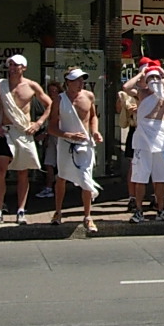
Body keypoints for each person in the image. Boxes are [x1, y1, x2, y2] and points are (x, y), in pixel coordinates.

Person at [0, 54, 52, 226]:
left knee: (23, 172)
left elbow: (50, 104)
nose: (13, 68)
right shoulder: (1, 86)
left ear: (24, 68)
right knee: (0, 170)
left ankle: (21, 210)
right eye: (11, 65)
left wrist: (39, 123)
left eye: (17, 65)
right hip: (6, 132)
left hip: (23, 132)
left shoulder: (31, 85)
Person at [122, 63, 164, 223]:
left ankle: (161, 209)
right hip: (142, 139)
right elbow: (126, 87)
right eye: (151, 78)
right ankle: (139, 210)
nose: (154, 80)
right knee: (140, 177)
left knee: (160, 177)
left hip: (159, 139)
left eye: (156, 78)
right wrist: (142, 74)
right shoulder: (141, 93)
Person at [47, 67, 104, 232]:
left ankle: (87, 216)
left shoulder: (89, 96)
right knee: (61, 177)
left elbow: (93, 117)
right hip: (66, 144)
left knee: (86, 177)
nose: (80, 83)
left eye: (82, 80)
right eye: (76, 80)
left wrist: (95, 131)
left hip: (85, 144)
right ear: (68, 82)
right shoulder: (59, 100)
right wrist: (68, 135)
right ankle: (58, 212)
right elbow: (51, 127)